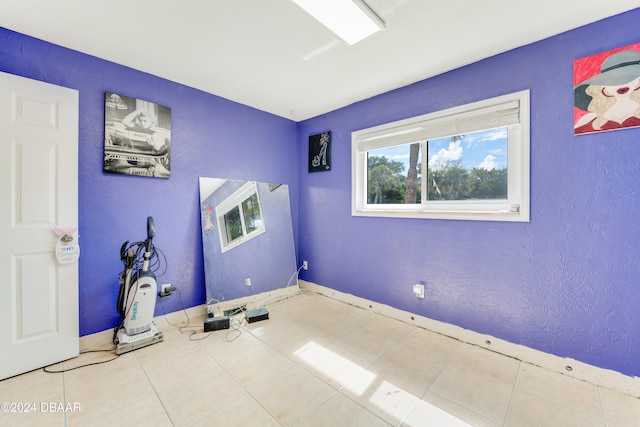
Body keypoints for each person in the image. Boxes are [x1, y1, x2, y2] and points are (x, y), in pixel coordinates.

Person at [574, 50, 640, 134]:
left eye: (629, 77)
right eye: (612, 80)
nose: (621, 84)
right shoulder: (589, 120)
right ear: (602, 86)